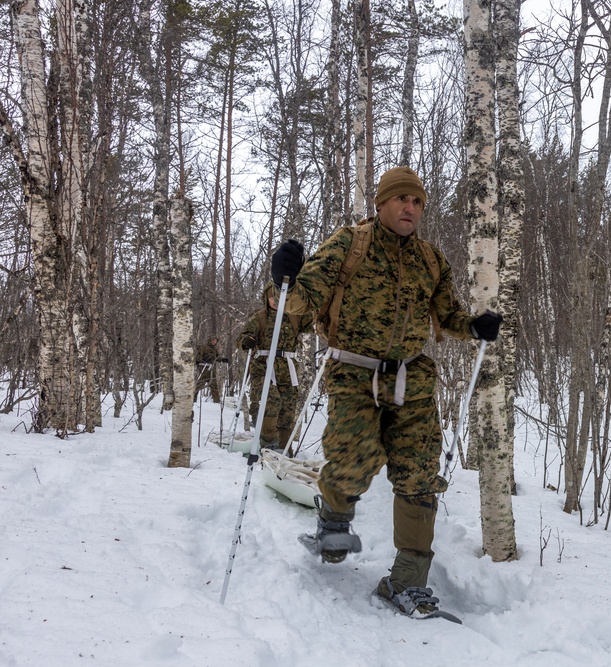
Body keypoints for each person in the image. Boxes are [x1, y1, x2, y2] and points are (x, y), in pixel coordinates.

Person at [270, 166, 502, 618]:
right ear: (381, 204)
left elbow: (448, 315)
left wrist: (474, 326)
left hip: (412, 380)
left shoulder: (431, 260)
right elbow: (300, 301)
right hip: (354, 374)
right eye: (401, 200)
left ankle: (407, 583)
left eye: (417, 202)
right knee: (355, 458)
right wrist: (285, 280)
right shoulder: (348, 244)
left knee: (419, 473)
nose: (410, 208)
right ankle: (334, 515)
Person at [236, 286, 314, 450]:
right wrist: (246, 341)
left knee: (287, 408)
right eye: (273, 297)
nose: (276, 301)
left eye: (280, 297)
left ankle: (284, 450)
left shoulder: (294, 316)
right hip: (263, 367)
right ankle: (268, 441)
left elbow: (313, 321)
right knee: (270, 399)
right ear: (266, 298)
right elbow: (243, 336)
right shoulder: (259, 317)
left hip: (287, 368)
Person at [195, 335, 227, 403]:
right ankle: (193, 400)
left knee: (214, 386)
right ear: (210, 340)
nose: (214, 342)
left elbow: (217, 358)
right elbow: (198, 358)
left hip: (212, 370)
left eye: (215, 341)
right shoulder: (204, 347)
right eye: (213, 340)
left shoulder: (214, 349)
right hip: (204, 369)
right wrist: (203, 360)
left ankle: (217, 402)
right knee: (199, 385)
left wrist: (222, 359)